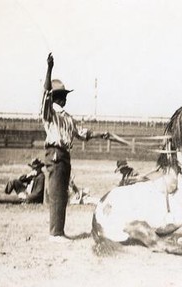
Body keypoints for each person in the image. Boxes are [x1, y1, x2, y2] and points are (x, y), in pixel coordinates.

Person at [41, 53, 110, 243]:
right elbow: (45, 92)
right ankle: (54, 234)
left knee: (62, 195)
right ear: (57, 97)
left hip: (64, 156)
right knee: (56, 194)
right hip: (55, 154)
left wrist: (100, 134)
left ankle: (59, 232)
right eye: (62, 96)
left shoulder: (68, 118)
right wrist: (49, 68)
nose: (65, 99)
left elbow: (82, 134)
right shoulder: (49, 114)